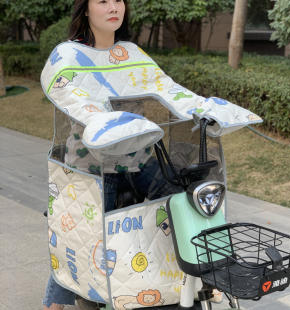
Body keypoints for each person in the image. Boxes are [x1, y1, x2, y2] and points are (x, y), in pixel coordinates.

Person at [43, 1, 181, 309]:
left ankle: (195, 279)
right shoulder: (68, 56)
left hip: (139, 160)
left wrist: (203, 109)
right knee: (79, 235)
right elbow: (68, 94)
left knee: (183, 199)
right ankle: (53, 305)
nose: (113, 6)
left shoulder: (132, 55)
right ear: (86, 9)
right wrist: (99, 115)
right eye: (102, 0)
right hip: (92, 165)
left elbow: (168, 89)